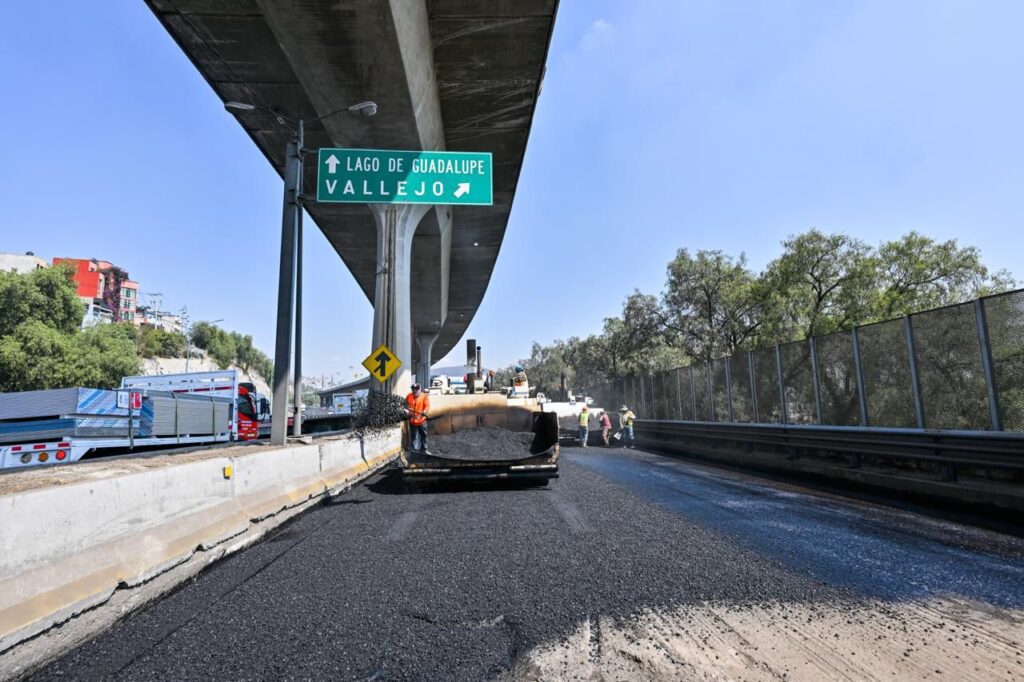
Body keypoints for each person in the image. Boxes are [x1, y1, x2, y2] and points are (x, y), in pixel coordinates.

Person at [406, 383, 431, 454]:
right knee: (414, 437)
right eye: (413, 389)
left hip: (422, 421)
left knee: (424, 436)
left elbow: (427, 406)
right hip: (412, 421)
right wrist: (406, 410)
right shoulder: (409, 396)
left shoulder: (424, 396)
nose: (414, 390)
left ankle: (424, 449)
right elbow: (405, 404)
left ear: (420, 389)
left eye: (416, 389)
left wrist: (424, 411)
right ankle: (414, 451)